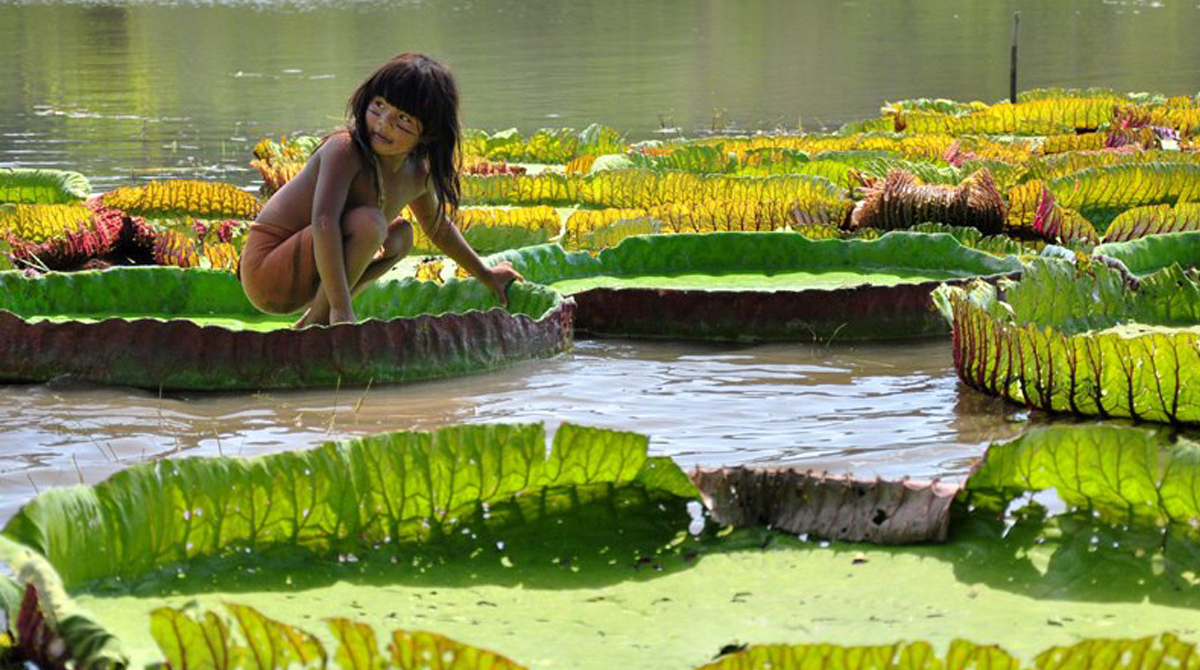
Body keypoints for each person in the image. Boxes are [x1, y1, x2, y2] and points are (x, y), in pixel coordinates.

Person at [239, 52, 523, 327]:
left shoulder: (417, 174)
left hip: (312, 277)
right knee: (371, 223)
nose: (384, 123)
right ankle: (325, 319)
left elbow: (439, 229)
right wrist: (341, 309)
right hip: (266, 274)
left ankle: (314, 320)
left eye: (403, 119)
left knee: (401, 236)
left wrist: (486, 274)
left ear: (428, 133)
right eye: (379, 105)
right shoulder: (344, 150)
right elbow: (324, 222)